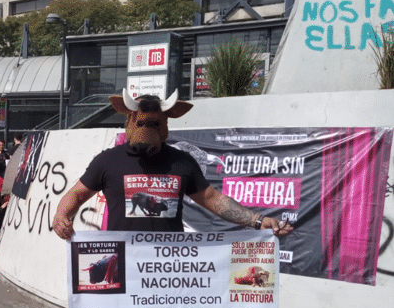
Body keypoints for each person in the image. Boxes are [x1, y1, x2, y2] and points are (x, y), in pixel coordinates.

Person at [52, 90, 294, 239]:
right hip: (124, 259)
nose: (147, 131)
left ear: (166, 124)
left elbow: (211, 199)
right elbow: (77, 194)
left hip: (168, 265)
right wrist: (61, 215)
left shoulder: (181, 162)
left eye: (155, 125)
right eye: (141, 124)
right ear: (130, 121)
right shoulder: (108, 160)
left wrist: (258, 220)